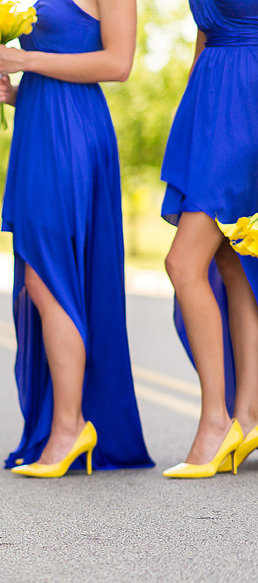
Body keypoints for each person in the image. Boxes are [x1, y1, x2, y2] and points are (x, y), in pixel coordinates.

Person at [0, 0, 153, 477]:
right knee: (41, 272)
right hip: (37, 129)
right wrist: (11, 92)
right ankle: (67, 422)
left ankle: (70, 424)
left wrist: (26, 59)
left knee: (46, 274)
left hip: (74, 135)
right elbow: (56, 73)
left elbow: (118, 64)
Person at [159, 0, 258, 478]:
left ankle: (216, 420)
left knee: (183, 264)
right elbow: (204, 37)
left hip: (247, 105)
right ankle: (249, 414)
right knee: (233, 264)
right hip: (209, 104)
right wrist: (189, 124)